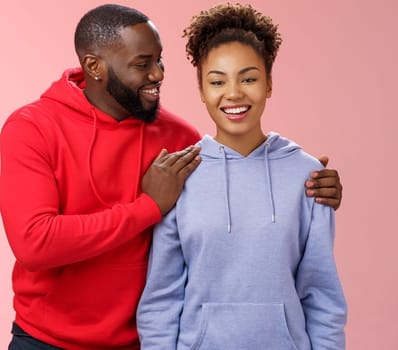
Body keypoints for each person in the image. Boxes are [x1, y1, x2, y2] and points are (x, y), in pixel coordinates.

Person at [0, 4, 342, 349]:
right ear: (94, 66)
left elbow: (237, 182)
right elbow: (35, 243)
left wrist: (309, 181)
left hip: (136, 343)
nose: (158, 74)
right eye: (142, 64)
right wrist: (147, 207)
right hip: (46, 341)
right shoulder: (31, 129)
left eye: (159, 61)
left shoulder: (179, 141)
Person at [136, 3, 347, 349]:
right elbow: (162, 299)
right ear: (202, 91)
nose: (233, 93)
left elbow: (322, 296)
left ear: (269, 84)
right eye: (217, 81)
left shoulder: (306, 175)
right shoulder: (180, 174)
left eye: (248, 78)